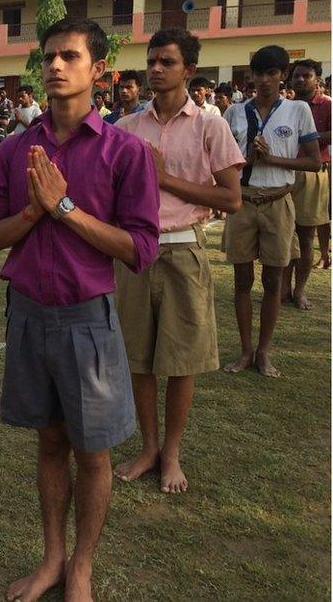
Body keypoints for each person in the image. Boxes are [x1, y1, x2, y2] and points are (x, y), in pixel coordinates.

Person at [0, 17, 159, 601]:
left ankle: (81, 567)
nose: (56, 66)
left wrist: (64, 208)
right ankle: (52, 558)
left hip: (88, 320)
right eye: (49, 56)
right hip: (28, 315)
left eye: (70, 57)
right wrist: (34, 213)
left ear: (98, 70)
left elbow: (139, 248)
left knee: (94, 450)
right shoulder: (14, 150)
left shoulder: (126, 152)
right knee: (50, 441)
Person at [112, 28, 243, 494]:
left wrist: (166, 179)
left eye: (166, 61)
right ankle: (148, 447)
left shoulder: (211, 124)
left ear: (188, 69)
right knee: (139, 358)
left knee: (181, 359)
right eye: (151, 61)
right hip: (134, 252)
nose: (155, 69)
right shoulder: (127, 128)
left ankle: (172, 453)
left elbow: (231, 199)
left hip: (184, 247)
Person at [221, 45, 321, 377]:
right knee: (242, 279)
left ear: (283, 75)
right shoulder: (235, 113)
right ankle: (246, 350)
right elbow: (222, 162)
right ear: (250, 75)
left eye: (272, 73)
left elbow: (314, 160)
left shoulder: (297, 111)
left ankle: (264, 351)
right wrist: (249, 157)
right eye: (259, 73)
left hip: (279, 200)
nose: (264, 80)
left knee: (274, 279)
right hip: (243, 201)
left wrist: (273, 159)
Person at [282, 59, 331, 306]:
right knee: (284, 234)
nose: (300, 80)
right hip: (286, 171)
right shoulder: (285, 106)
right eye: (296, 76)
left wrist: (310, 138)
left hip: (313, 173)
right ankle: (282, 288)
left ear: (317, 79)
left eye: (306, 76)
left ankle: (300, 290)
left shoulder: (326, 105)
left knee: (305, 236)